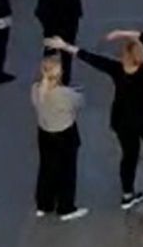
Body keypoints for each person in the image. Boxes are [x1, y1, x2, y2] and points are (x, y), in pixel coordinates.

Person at [45, 31, 143, 209]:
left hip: (123, 121)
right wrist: (121, 32)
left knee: (129, 156)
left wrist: (64, 46)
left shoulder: (117, 69)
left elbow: (91, 58)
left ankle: (127, 194)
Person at [31, 55, 87, 221]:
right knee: (67, 171)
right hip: (64, 134)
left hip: (44, 133)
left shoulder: (36, 89)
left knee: (46, 168)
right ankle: (66, 207)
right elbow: (80, 103)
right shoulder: (64, 94)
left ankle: (44, 204)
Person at [35, 0, 92, 85]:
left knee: (49, 48)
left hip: (49, 18)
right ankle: (65, 81)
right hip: (68, 20)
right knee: (66, 51)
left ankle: (47, 77)